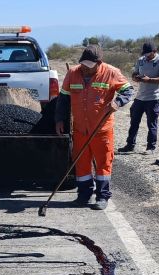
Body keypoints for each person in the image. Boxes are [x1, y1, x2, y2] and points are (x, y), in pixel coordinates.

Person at [55, 45, 133, 210]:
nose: (85, 69)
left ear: (99, 63)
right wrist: (59, 119)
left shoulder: (111, 72)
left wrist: (117, 102)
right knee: (81, 164)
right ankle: (83, 195)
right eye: (83, 65)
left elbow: (128, 90)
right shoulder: (72, 73)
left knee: (103, 164)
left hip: (101, 130)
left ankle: (102, 196)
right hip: (80, 130)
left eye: (90, 66)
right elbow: (63, 98)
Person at [118, 42, 159, 154]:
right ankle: (130, 145)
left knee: (151, 124)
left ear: (154, 51)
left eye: (149, 54)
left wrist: (149, 80)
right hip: (140, 97)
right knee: (134, 122)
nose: (146, 56)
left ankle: (151, 148)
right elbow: (134, 74)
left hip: (153, 98)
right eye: (145, 53)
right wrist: (135, 77)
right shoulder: (141, 60)